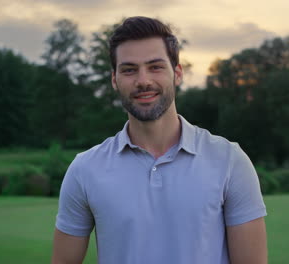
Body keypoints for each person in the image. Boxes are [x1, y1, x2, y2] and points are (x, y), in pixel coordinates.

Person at [52, 16, 267, 264]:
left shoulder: (230, 161)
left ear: (177, 73)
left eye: (155, 67)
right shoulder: (84, 170)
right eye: (129, 70)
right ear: (114, 79)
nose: (143, 80)